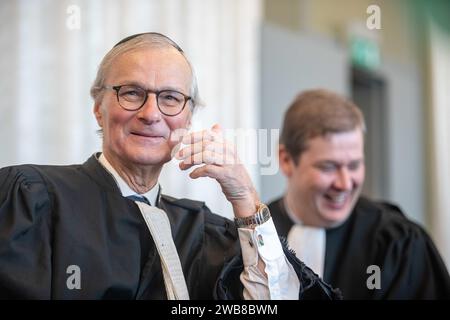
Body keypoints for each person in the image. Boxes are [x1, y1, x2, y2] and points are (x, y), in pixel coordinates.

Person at [0, 33, 340, 300]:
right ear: (98, 107)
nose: (151, 114)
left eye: (170, 98)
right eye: (131, 93)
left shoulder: (201, 230)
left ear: (188, 118)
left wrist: (245, 197)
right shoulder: (34, 196)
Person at [269, 88, 450, 299]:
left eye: (354, 165)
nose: (345, 183)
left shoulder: (396, 243)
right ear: (286, 160)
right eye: (328, 166)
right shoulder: (254, 236)